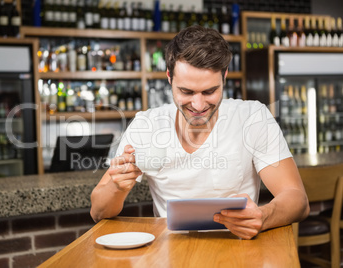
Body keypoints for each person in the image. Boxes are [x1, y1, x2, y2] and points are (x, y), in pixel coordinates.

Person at [90, 25, 309, 239]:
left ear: (224, 76)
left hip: (238, 249)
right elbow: (98, 212)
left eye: (210, 91)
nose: (198, 104)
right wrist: (117, 187)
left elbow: (297, 200)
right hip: (170, 254)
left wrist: (263, 216)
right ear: (169, 77)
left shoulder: (253, 117)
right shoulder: (147, 125)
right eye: (186, 91)